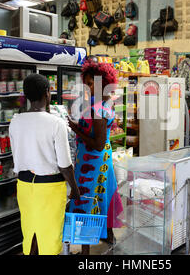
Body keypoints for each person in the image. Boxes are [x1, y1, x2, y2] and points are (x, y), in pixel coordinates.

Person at [9, 73, 80, 255]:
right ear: (47, 93)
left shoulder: (15, 122)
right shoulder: (56, 123)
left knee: (31, 233)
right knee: (49, 238)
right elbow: (65, 165)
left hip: (24, 186)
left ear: (26, 95)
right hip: (50, 189)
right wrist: (75, 188)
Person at [67, 59, 123, 255]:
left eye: (91, 83)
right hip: (100, 160)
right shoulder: (103, 104)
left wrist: (75, 129)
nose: (88, 86)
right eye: (87, 83)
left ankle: (85, 252)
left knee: (87, 199)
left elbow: (97, 144)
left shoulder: (96, 109)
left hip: (93, 160)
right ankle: (108, 235)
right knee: (102, 195)